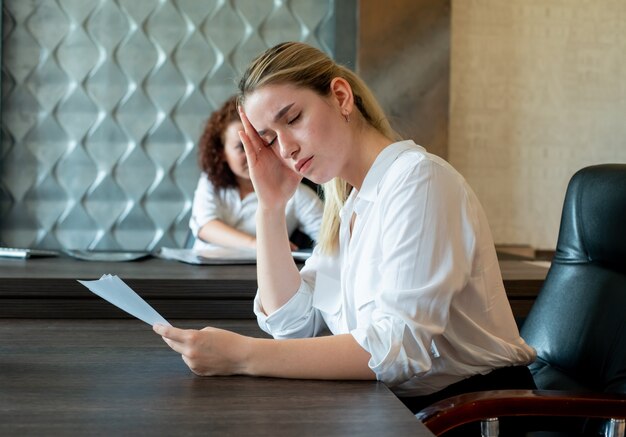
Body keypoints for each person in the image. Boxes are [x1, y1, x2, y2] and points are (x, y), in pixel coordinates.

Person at [154, 42, 536, 416]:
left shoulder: (419, 180)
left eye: (292, 119)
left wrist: (243, 356)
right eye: (269, 139)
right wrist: (270, 209)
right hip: (394, 408)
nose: (284, 148)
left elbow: (399, 349)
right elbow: (295, 325)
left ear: (340, 97)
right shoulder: (351, 202)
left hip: (470, 413)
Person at [189, 95, 323, 251]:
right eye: (241, 147)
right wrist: (258, 245)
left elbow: (332, 239)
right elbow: (205, 226)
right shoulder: (210, 182)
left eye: (259, 143)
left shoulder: (297, 194)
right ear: (222, 153)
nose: (252, 154)